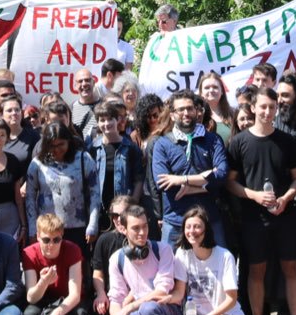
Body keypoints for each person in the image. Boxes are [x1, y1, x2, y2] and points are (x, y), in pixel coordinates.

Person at [226, 87, 296, 315]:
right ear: (253, 108)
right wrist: (254, 195)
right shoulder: (239, 143)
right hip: (253, 218)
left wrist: (286, 199)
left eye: (272, 107)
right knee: (256, 271)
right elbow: (231, 184)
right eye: (263, 107)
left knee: (290, 268)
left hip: (285, 216)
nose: (268, 112)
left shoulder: (286, 140)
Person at [174, 207, 246, 315]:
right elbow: (179, 292)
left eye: (197, 227)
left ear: (206, 229)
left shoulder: (224, 256)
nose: (192, 232)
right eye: (188, 227)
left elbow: (231, 299)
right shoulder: (182, 254)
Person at [151, 91, 228, 246]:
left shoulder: (213, 140)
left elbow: (221, 176)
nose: (186, 113)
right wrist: (206, 181)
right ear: (172, 115)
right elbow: (162, 183)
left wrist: (183, 181)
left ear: (197, 111)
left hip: (209, 218)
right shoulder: (162, 144)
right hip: (175, 220)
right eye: (181, 110)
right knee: (169, 269)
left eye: (190, 108)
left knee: (220, 267)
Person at [21, 213, 88, 315]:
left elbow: (75, 294)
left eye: (56, 240)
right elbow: (31, 297)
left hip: (67, 300)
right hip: (43, 300)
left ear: (62, 236)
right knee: (29, 314)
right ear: (37, 236)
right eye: (46, 240)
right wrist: (43, 282)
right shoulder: (29, 253)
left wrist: (57, 313)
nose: (51, 245)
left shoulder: (72, 249)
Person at [25, 122, 99, 248]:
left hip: (77, 227)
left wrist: (93, 224)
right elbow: (30, 197)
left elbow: (95, 193)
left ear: (69, 142)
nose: (57, 149)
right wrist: (33, 229)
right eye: (52, 146)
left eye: (61, 144)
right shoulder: (37, 163)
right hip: (47, 229)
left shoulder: (83, 159)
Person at [88, 102, 144, 241]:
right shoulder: (92, 148)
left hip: (123, 209)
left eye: (110, 119)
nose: (106, 123)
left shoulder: (130, 148)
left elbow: (138, 180)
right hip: (100, 210)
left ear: (117, 120)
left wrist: (132, 206)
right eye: (102, 120)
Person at [199, 72, 238, 142]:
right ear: (201, 92)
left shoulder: (234, 114)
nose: (211, 90)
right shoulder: (196, 116)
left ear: (222, 91)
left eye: (215, 87)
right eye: (207, 88)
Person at [70, 67, 103, 141]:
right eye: (80, 81)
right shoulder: (71, 109)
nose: (84, 84)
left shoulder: (105, 106)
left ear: (94, 83)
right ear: (75, 86)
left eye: (87, 80)